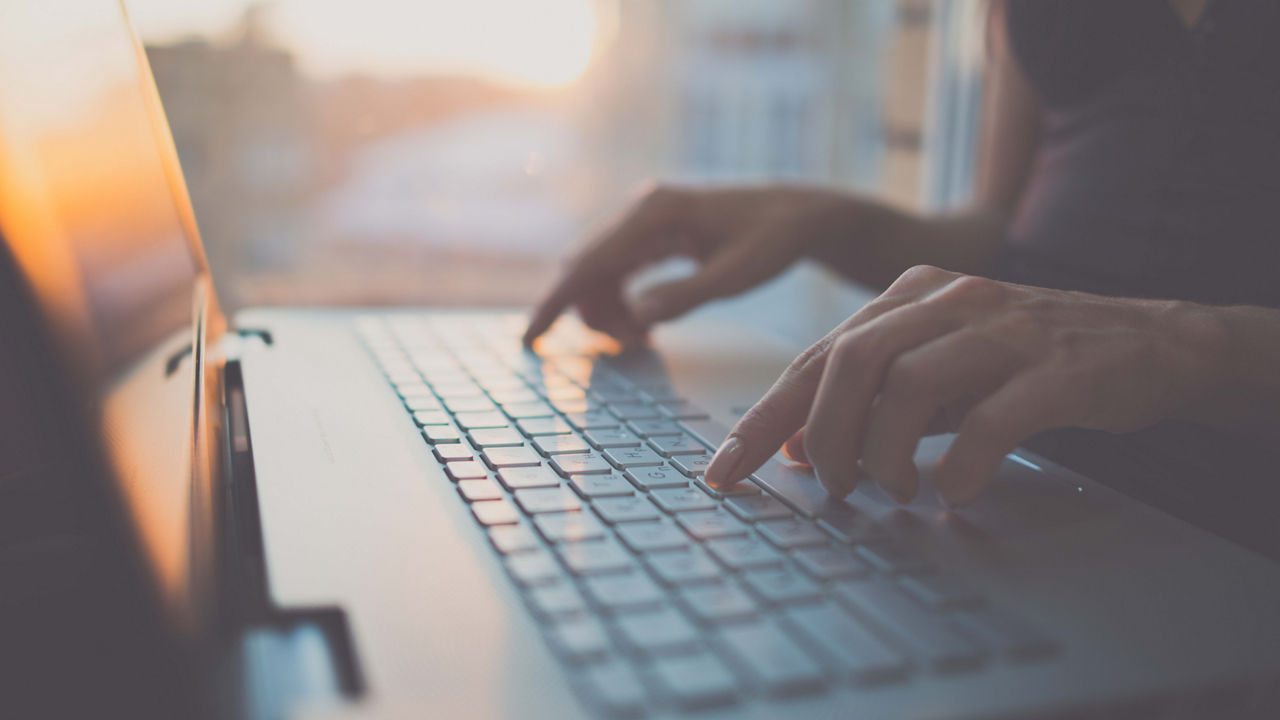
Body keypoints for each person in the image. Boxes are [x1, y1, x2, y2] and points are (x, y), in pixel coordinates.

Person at [522, 1, 1280, 555]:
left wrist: (1189, 342)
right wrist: (819, 218)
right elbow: (998, 228)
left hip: (1231, 516)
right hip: (1004, 477)